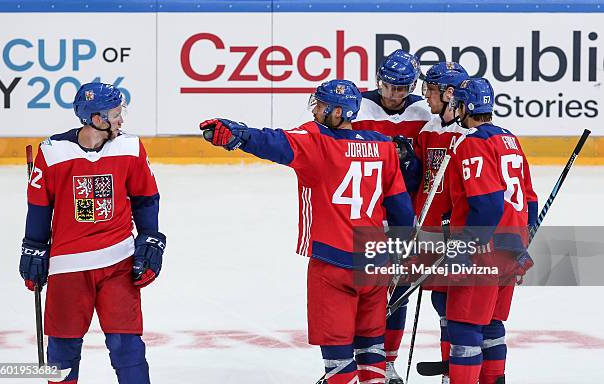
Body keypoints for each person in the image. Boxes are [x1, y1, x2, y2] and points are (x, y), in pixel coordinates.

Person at [199, 79, 415, 384]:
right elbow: (402, 212)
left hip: (333, 266)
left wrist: (238, 134)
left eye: (322, 105)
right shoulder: (383, 146)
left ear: (338, 111)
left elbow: (272, 142)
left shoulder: (316, 142)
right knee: (371, 354)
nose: (315, 110)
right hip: (375, 266)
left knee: (340, 362)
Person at [19, 82, 165, 384]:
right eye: (114, 113)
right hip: (68, 266)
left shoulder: (130, 147)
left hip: (119, 261)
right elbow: (38, 206)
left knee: (128, 347)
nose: (121, 119)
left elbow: (145, 197)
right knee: (61, 351)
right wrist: (33, 247)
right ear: (96, 118)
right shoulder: (53, 152)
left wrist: (150, 238)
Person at [444, 77, 538, 384]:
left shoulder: (472, 142)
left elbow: (487, 205)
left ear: (467, 107)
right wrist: (524, 235)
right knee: (492, 321)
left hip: (484, 250)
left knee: (464, 326)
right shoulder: (510, 138)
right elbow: (530, 199)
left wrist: (464, 247)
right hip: (512, 245)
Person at [351, 49, 431, 384]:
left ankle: (386, 363)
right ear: (378, 81)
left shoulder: (424, 111)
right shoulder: (357, 107)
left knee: (397, 295)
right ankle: (352, 360)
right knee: (360, 292)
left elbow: (434, 165)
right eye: (388, 86)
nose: (393, 94)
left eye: (401, 88)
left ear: (412, 85)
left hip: (404, 220)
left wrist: (412, 163)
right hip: (364, 217)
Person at [411, 61, 471, 384]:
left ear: (450, 94)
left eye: (431, 90)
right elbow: (421, 178)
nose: (427, 96)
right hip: (429, 229)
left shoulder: (467, 136)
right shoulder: (429, 130)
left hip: (454, 232)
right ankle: (450, 363)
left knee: (454, 301)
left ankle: (455, 367)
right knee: (439, 298)